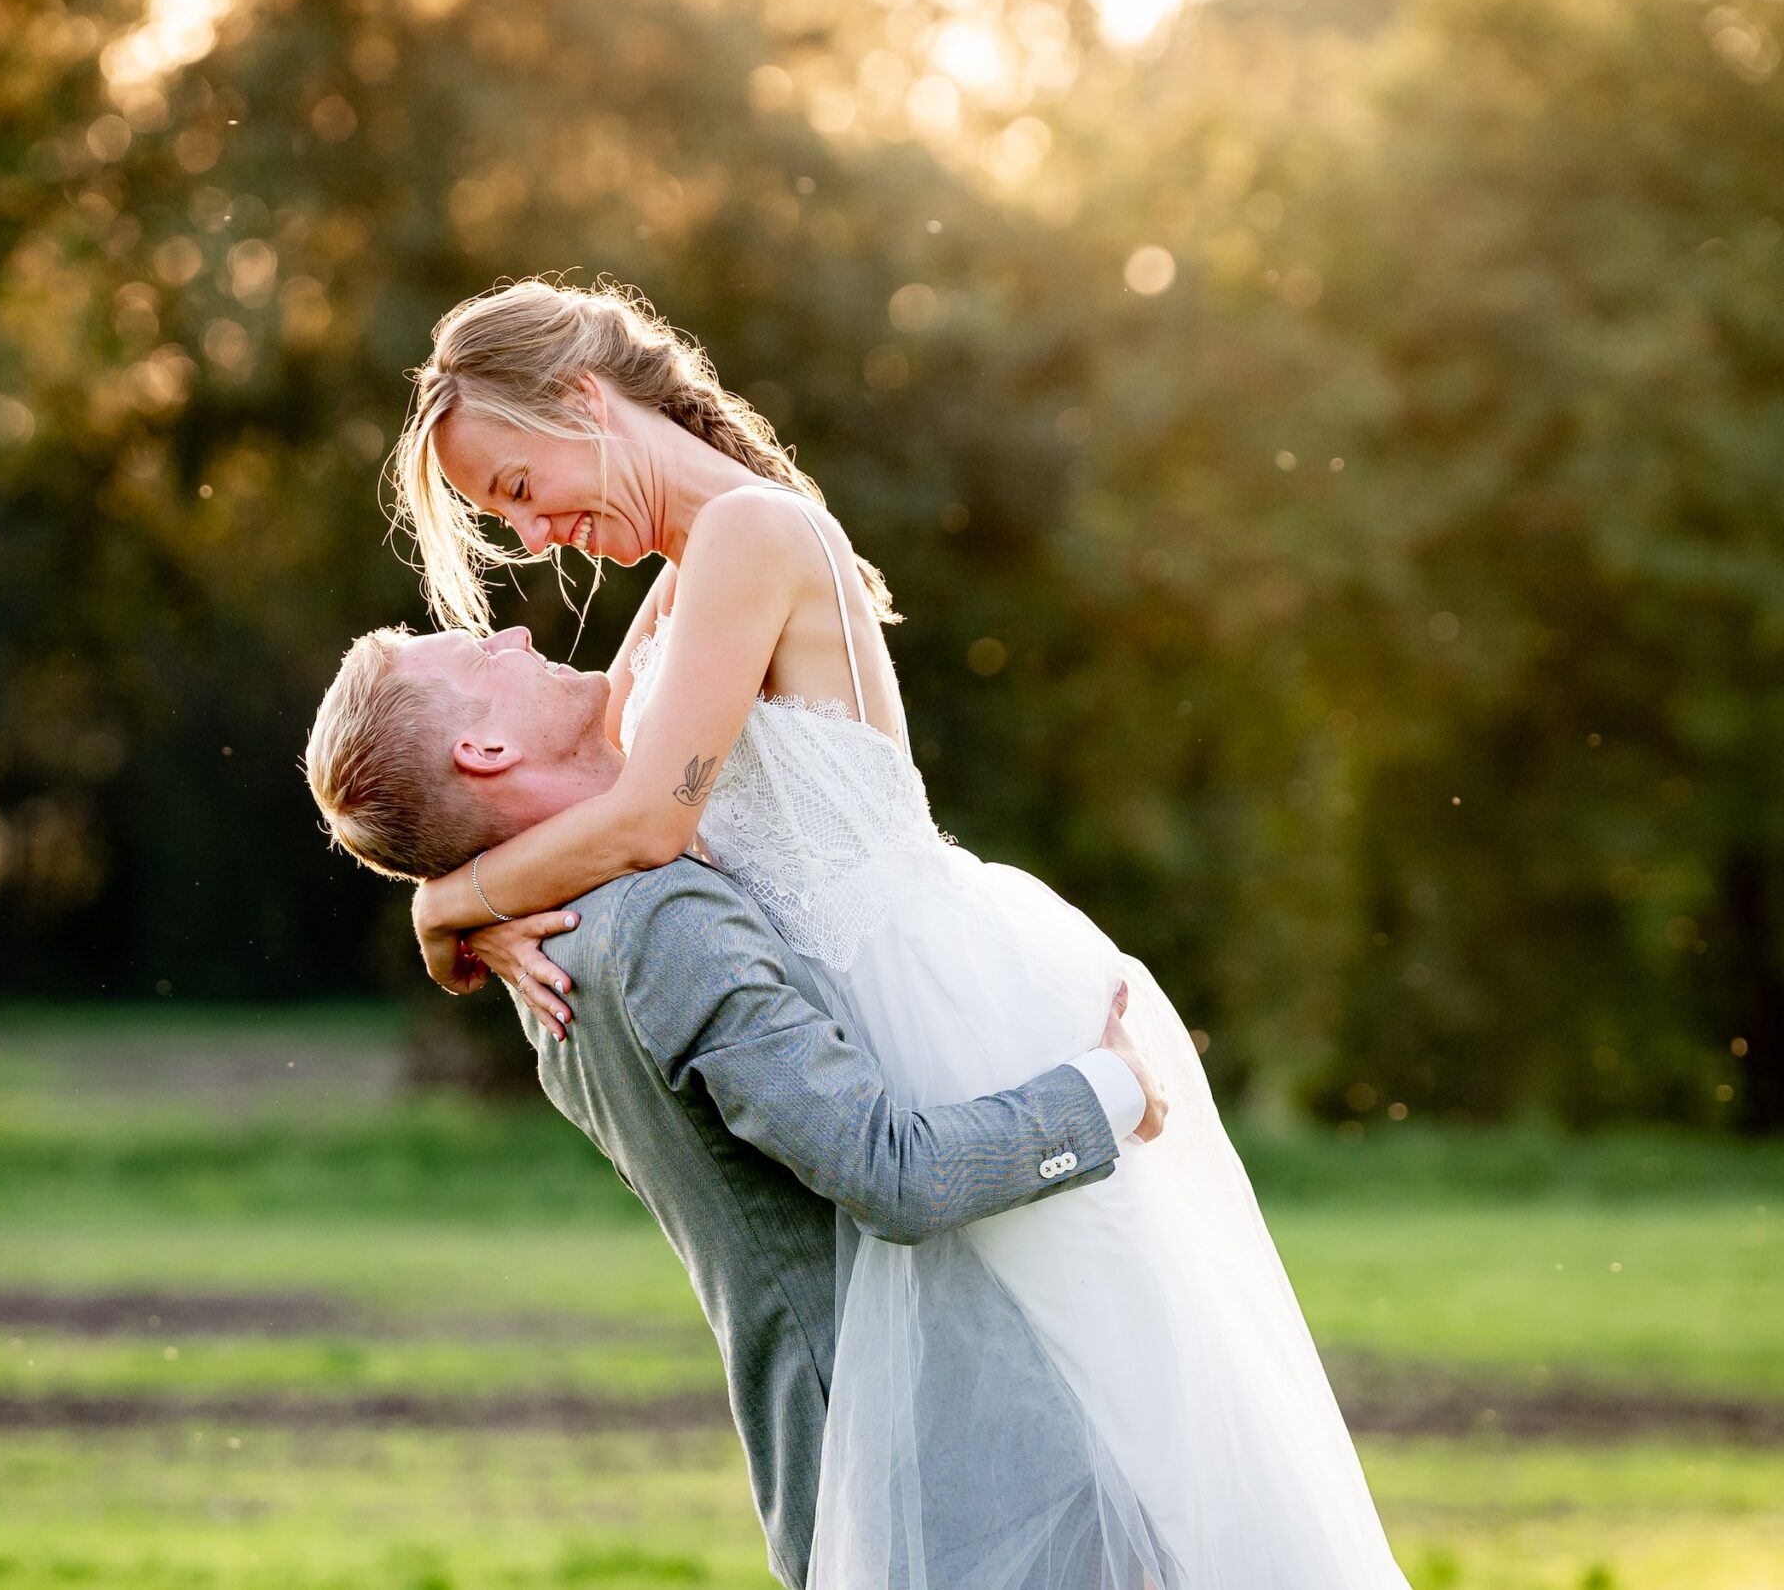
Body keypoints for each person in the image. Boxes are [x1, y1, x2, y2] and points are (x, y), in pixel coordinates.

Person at [375, 276, 1408, 1587]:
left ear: (584, 398)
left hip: (933, 994)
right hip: (872, 1003)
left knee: (1115, 1423)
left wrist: (450, 899)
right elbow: (605, 818)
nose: (528, 533)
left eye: (518, 485)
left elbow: (645, 819)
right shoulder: (676, 596)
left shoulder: (751, 533)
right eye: (502, 515)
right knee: (1009, 1441)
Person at [304, 620, 1171, 1588]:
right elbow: (895, 1175)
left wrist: (449, 900)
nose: (512, 630)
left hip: (899, 1472)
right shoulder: (655, 923)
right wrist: (1110, 1090)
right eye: (478, 654)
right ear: (485, 749)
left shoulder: (560, 933)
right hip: (948, 1479)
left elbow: (712, 538)